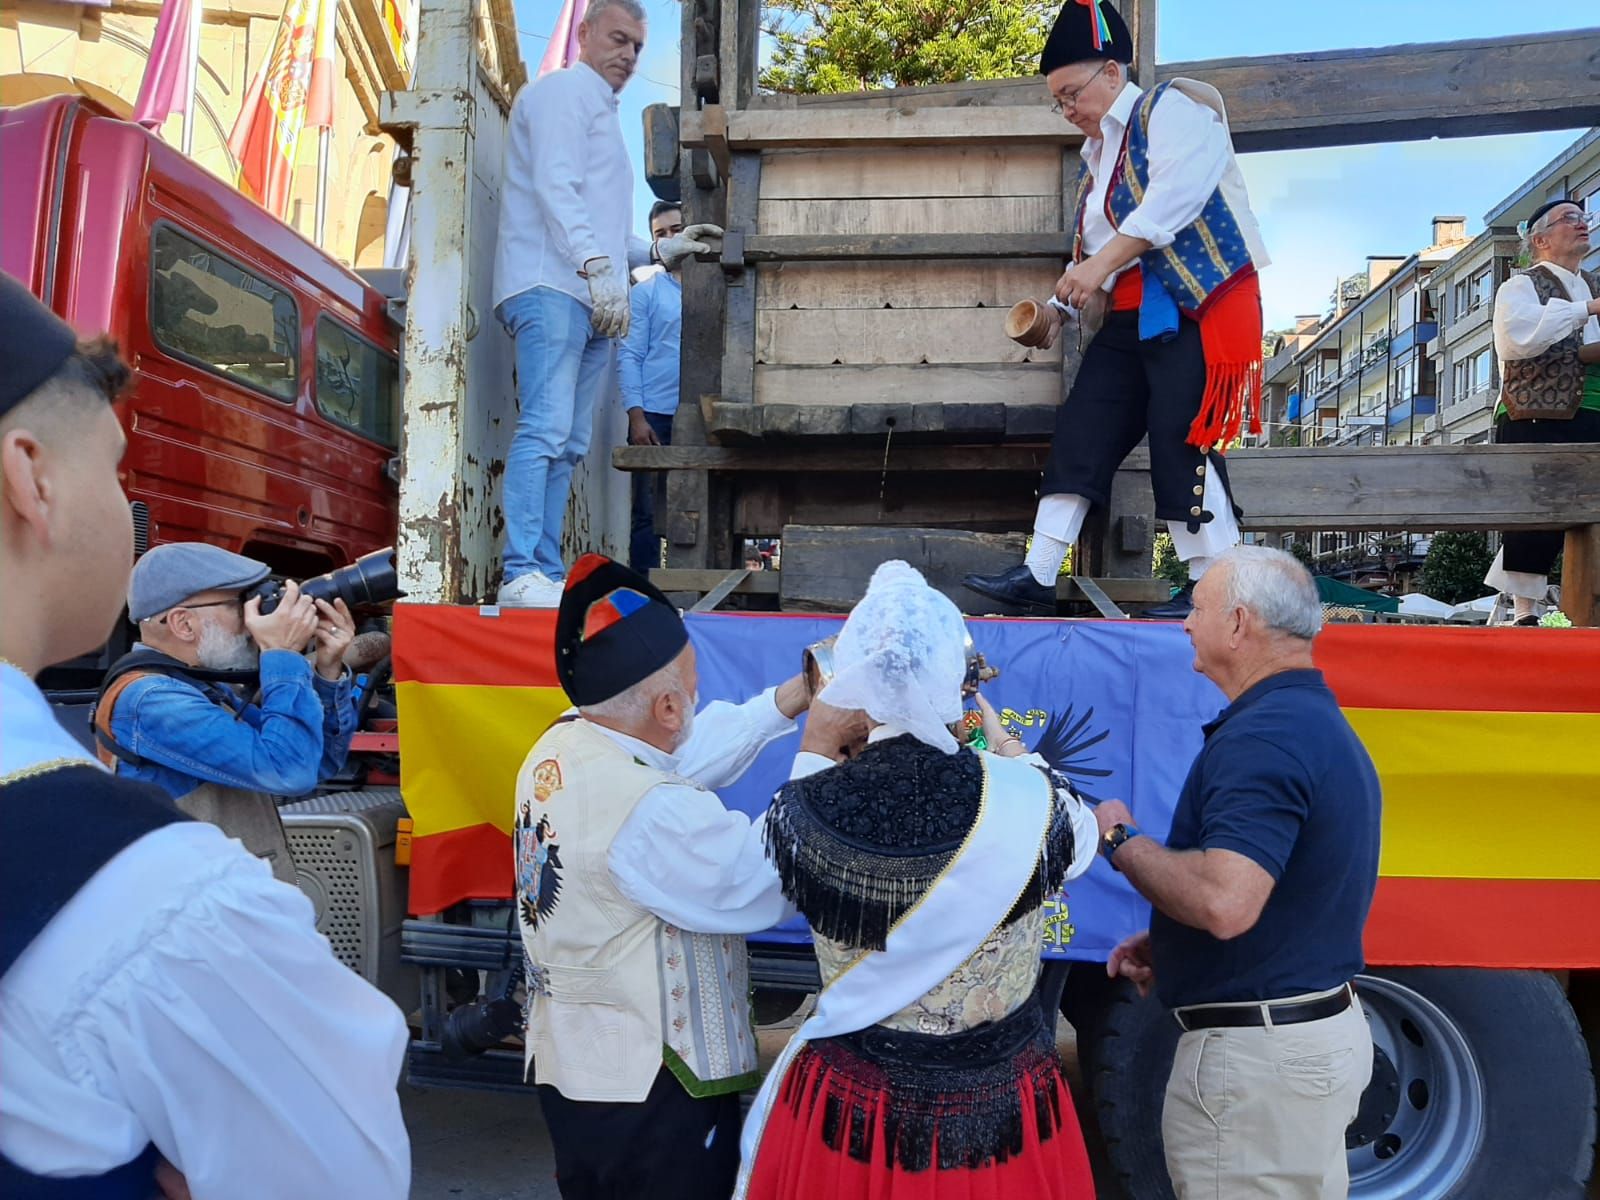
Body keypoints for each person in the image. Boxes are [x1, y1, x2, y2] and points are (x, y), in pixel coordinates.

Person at [0, 271, 409, 1196]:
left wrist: (328, 669)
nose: (127, 513)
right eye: (112, 470)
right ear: (30, 477)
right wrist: (286, 664)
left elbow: (312, 761)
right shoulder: (143, 865)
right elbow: (284, 762)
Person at [740, 561, 1100, 1199]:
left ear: (849, 679)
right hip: (1002, 1119)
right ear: (957, 682)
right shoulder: (1035, 800)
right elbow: (1082, 834)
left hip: (856, 1119)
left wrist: (815, 747)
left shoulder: (801, 809)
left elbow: (743, 889)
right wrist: (1018, 754)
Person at [514, 553, 820, 1199]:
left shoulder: (567, 740)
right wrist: (822, 749)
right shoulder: (651, 810)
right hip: (653, 1086)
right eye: (693, 687)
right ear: (669, 707)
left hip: (579, 1068)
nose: (699, 698)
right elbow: (766, 881)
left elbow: (675, 752)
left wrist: (792, 700)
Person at [964, 0, 1268, 620]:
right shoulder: (1097, 156)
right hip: (1132, 313)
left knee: (1182, 439)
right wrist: (1056, 310)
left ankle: (1215, 589)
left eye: (1072, 92)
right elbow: (1099, 251)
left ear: (1111, 71)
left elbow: (1172, 203)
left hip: (1196, 304)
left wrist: (1097, 269)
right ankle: (1039, 570)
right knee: (1085, 427)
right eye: (1060, 100)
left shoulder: (1175, 110)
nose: (1069, 109)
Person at [1095, 545, 1381, 1200]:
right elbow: (1282, 890)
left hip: (1259, 1068)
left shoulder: (1265, 736)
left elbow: (1226, 903)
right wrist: (1176, 938)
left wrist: (1118, 837)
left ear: (1238, 623)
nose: (1185, 623)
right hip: (1294, 1047)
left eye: (1195, 608)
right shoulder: (1306, 721)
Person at [493, 0, 721, 607]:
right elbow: (554, 187)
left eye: (637, 46)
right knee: (545, 428)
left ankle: (540, 566)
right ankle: (520, 570)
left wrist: (662, 250)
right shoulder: (564, 92)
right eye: (617, 38)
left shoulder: (594, 110)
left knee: (567, 439)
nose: (627, 54)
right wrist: (598, 267)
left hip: (589, 295)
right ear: (585, 33)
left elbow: (598, 225)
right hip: (551, 284)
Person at [92, 542, 359, 884]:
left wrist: (328, 670)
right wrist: (281, 652)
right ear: (183, 624)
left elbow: (314, 762)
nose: (253, 620)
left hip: (229, 909)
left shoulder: (200, 687)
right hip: (192, 922)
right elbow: (289, 771)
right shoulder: (151, 701)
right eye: (239, 604)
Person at [1482, 198, 1600, 624]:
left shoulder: (1590, 284)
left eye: (1583, 217)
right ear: (1541, 239)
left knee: (1583, 510)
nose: (1581, 223)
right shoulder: (1519, 286)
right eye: (1569, 218)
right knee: (1536, 512)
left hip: (1588, 408)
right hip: (1535, 412)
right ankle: (1524, 611)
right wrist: (1586, 309)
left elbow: (1581, 351)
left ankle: (1578, 605)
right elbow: (1519, 340)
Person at [622, 199, 686, 572]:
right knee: (646, 515)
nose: (670, 239)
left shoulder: (720, 288)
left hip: (701, 414)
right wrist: (636, 416)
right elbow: (630, 355)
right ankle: (644, 595)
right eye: (660, 234)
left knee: (691, 507)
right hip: (654, 417)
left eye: (676, 229)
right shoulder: (646, 293)